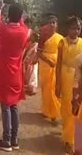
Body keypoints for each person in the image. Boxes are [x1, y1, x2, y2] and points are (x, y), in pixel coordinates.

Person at [0, 3, 29, 152]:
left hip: (5, 74)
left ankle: (6, 140)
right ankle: (15, 139)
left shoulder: (4, 30)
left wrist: (1, 6)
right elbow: (22, 22)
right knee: (14, 106)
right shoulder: (24, 31)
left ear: (9, 15)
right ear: (20, 16)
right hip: (17, 74)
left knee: (5, 106)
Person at [56, 16, 82, 154]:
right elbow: (59, 64)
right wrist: (57, 85)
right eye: (73, 28)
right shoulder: (62, 43)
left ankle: (75, 140)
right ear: (68, 29)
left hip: (79, 80)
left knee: (77, 111)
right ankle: (68, 140)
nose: (76, 31)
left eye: (78, 28)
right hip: (65, 78)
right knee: (67, 110)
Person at [38, 14, 62, 122]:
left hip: (58, 66)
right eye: (50, 22)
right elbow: (39, 53)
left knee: (55, 89)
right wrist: (49, 61)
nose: (52, 24)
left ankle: (54, 112)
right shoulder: (43, 37)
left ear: (57, 25)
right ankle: (46, 110)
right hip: (46, 65)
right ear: (47, 24)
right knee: (46, 89)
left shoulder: (60, 38)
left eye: (54, 22)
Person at [23, 18, 39, 95]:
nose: (28, 24)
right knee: (27, 71)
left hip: (31, 52)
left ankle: (31, 88)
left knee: (33, 73)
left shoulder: (31, 32)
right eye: (27, 23)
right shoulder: (22, 30)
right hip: (25, 50)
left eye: (30, 23)